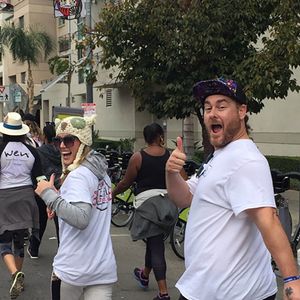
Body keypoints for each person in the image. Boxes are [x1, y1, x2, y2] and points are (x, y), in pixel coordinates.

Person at [166, 77, 300, 300]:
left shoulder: (247, 160)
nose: (212, 113)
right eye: (207, 107)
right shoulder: (220, 156)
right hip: (204, 288)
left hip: (234, 293)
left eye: (222, 106)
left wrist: (292, 281)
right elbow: (185, 197)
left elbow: (268, 220)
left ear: (242, 111)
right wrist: (171, 172)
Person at [35, 115, 117, 300]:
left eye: (69, 140)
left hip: (73, 269)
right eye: (58, 140)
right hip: (102, 269)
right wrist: (60, 200)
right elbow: (92, 209)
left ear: (83, 143)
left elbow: (81, 219)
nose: (62, 145)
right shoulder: (100, 172)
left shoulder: (78, 175)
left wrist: (48, 195)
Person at [113, 123, 177, 300]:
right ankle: (144, 274)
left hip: (147, 207)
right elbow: (181, 179)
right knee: (153, 240)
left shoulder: (138, 157)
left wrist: (112, 194)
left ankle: (163, 293)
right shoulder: (169, 155)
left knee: (156, 246)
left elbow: (126, 182)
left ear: (146, 137)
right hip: (167, 207)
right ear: (160, 136)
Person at [0, 112, 42, 299]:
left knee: (4, 239)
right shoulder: (32, 151)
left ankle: (14, 273)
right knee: (19, 238)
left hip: (5, 197)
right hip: (26, 197)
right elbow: (38, 178)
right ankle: (19, 277)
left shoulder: (1, 149)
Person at [27, 122, 62, 259]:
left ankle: (34, 248)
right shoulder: (62, 150)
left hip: (43, 187)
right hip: (60, 186)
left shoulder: (39, 151)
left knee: (40, 220)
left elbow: (34, 170)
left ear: (45, 137)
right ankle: (62, 249)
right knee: (60, 221)